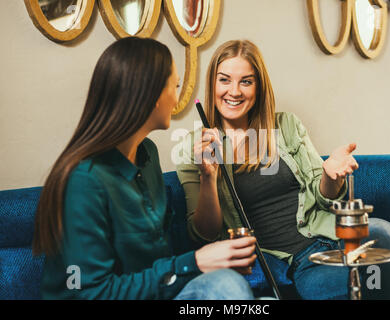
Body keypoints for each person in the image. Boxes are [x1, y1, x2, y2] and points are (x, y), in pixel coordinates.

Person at [176, 39, 390, 300]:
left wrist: (329, 176)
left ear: (258, 87)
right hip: (299, 265)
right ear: (212, 84)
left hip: (333, 235)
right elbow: (204, 233)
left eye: (245, 81)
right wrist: (208, 177)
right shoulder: (194, 147)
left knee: (379, 232)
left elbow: (323, 196)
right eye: (224, 79)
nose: (234, 91)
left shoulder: (286, 127)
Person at [32, 37, 258, 300]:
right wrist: (192, 263)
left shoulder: (147, 154)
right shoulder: (83, 181)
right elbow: (87, 292)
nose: (178, 96)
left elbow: (158, 266)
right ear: (150, 96)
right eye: (174, 86)